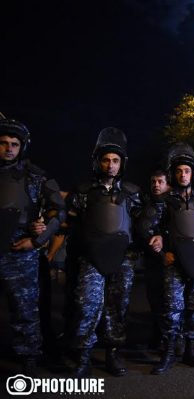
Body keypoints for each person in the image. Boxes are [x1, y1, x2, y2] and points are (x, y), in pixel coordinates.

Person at [69, 127, 142, 377]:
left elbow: (144, 224)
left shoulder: (132, 194)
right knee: (87, 305)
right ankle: (83, 356)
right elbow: (71, 224)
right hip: (91, 258)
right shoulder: (83, 193)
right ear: (98, 162)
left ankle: (113, 354)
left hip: (124, 258)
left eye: (115, 160)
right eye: (106, 160)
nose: (110, 165)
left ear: (121, 164)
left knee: (117, 306)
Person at [0, 117, 66, 373]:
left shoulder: (35, 177)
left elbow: (58, 211)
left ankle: (29, 358)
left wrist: (38, 238)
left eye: (14, 144)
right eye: (3, 143)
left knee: (25, 310)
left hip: (19, 253)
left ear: (21, 147)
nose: (8, 148)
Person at [149, 143, 194, 374]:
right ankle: (168, 353)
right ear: (173, 175)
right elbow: (148, 226)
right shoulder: (165, 200)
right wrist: (160, 244)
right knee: (172, 309)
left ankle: (190, 351)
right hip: (174, 263)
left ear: (193, 173)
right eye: (178, 171)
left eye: (186, 171)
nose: (183, 175)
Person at [136, 169, 170, 349]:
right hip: (153, 261)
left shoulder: (174, 204)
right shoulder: (147, 204)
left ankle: (170, 339)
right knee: (155, 299)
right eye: (153, 182)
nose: (156, 185)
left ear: (167, 183)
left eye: (160, 181)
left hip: (170, 261)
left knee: (170, 301)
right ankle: (158, 335)